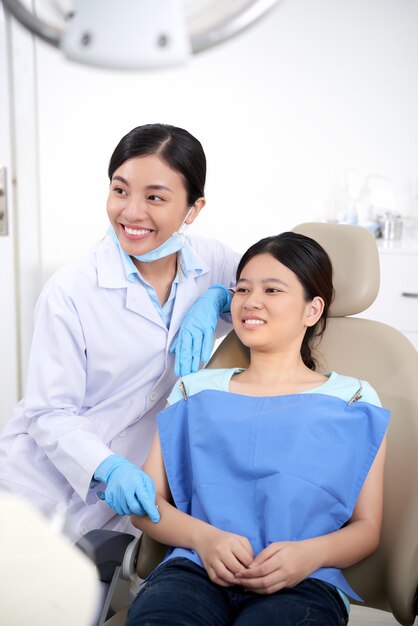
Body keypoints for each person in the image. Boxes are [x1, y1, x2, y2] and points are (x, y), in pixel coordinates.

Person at [126, 232, 390, 626]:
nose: (251, 301)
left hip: (303, 581)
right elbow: (146, 508)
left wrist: (308, 555)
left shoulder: (354, 401)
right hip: (194, 572)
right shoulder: (193, 390)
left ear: (312, 310)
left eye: (272, 289)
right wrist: (204, 539)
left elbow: (367, 529)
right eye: (242, 288)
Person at [0, 123, 240, 542]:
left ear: (193, 209)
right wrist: (108, 467)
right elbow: (48, 410)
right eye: (120, 190)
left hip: (130, 495)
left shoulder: (212, 261)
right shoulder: (71, 289)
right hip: (40, 480)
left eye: (155, 198)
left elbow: (290, 279)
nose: (131, 212)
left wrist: (219, 297)